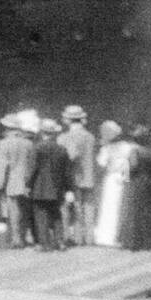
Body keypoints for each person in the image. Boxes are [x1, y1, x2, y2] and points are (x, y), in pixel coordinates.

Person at [27, 118, 72, 252]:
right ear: (54, 134)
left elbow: (32, 169)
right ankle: (60, 242)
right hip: (57, 186)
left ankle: (44, 244)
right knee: (56, 215)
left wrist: (27, 185)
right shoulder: (62, 149)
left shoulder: (37, 148)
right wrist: (68, 188)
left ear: (42, 132)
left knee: (41, 216)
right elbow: (66, 171)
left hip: (40, 187)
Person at [117, 124, 151, 251]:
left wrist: (124, 175)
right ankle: (150, 241)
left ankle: (133, 242)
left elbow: (133, 166)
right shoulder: (150, 151)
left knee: (132, 212)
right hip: (148, 184)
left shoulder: (133, 151)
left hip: (135, 184)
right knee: (147, 212)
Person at [58, 105, 96, 246]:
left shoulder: (65, 137)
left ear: (68, 119)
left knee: (74, 207)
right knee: (89, 207)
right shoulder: (90, 136)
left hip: (74, 177)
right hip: (89, 177)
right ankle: (90, 238)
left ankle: (77, 238)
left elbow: (71, 156)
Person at [0, 114, 34, 247]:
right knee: (25, 210)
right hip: (26, 180)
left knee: (13, 210)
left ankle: (16, 239)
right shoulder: (28, 143)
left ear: (7, 128)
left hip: (11, 180)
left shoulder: (3, 143)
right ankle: (24, 236)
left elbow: (3, 166)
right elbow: (32, 164)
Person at [94, 119, 131, 247]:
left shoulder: (107, 148)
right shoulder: (127, 147)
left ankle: (107, 236)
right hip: (123, 177)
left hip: (111, 177)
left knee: (109, 207)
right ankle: (120, 235)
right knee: (121, 207)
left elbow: (101, 163)